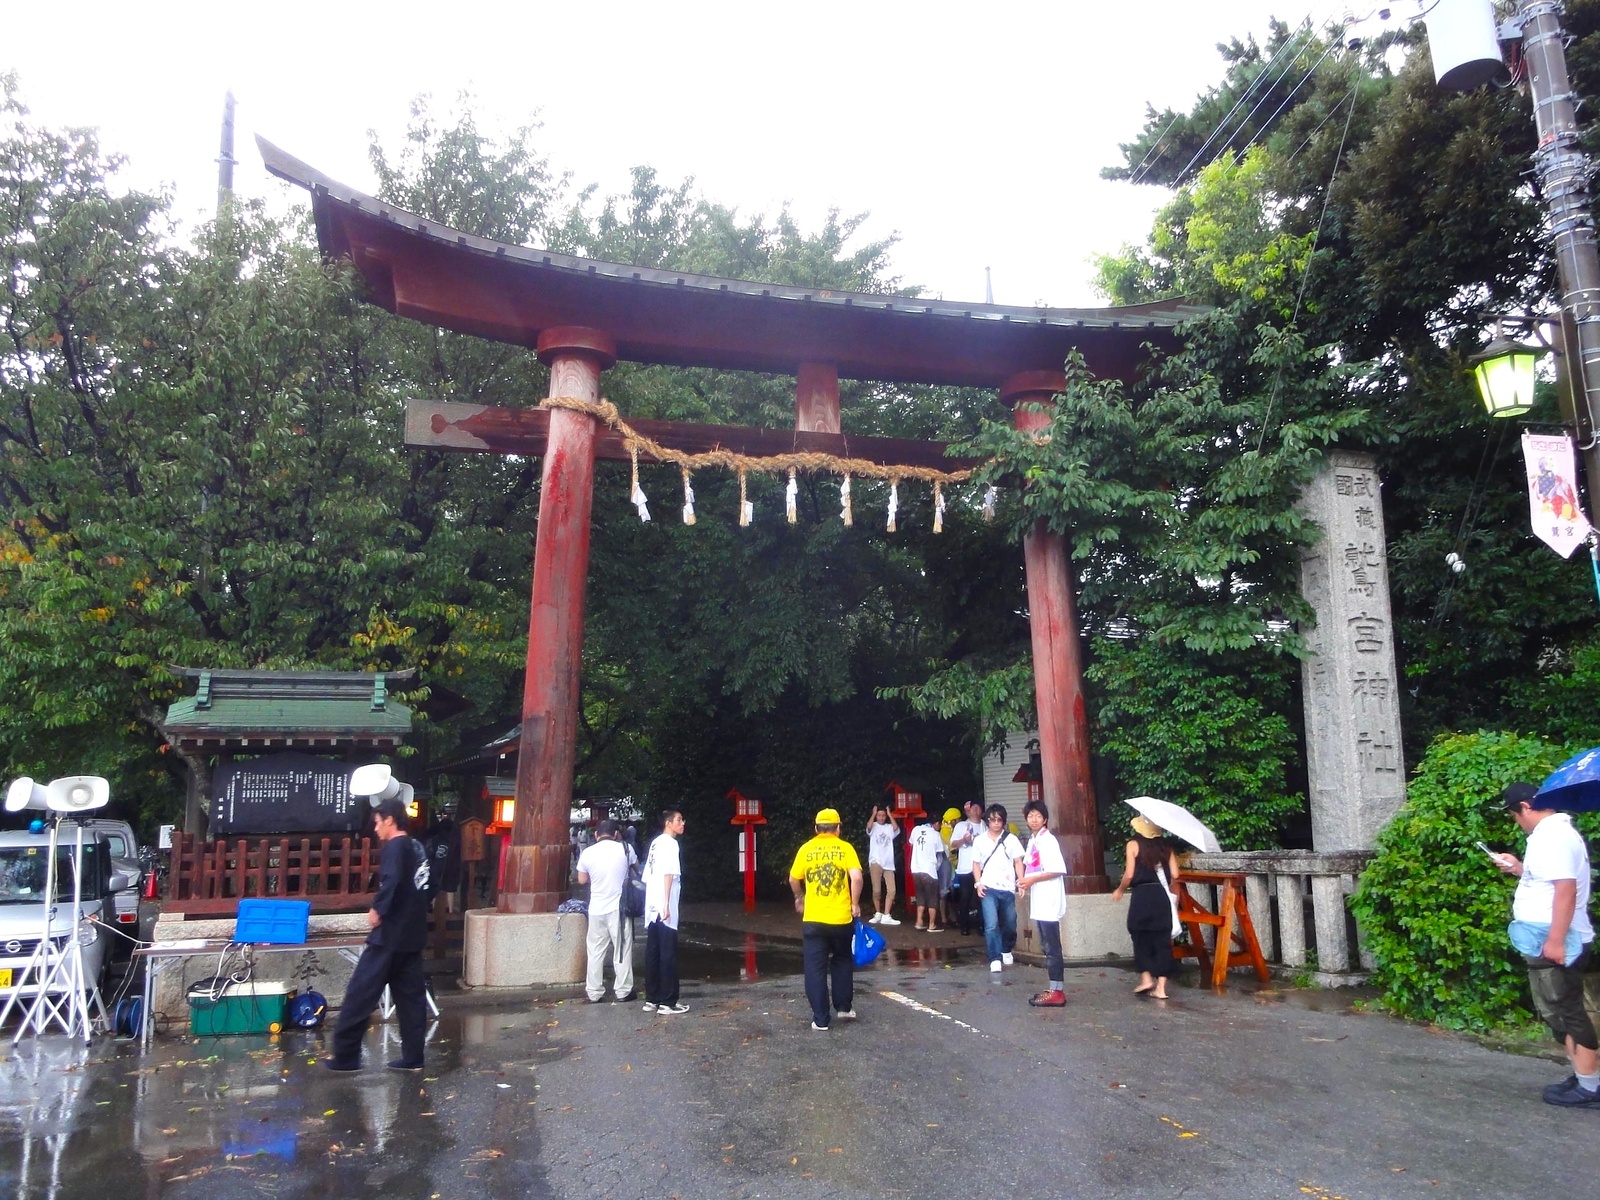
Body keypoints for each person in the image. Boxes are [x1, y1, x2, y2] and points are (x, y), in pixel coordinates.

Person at [1491, 782, 1598, 1107]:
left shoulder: (1553, 837)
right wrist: (1520, 869)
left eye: (1513, 815)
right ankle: (1583, 1076)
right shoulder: (1550, 836)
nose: (1515, 822)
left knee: (1568, 1011)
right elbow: (1550, 881)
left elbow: (1565, 890)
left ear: (1525, 806)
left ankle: (1591, 1087)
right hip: (1548, 937)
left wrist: (1555, 941)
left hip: (1557, 939)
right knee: (1558, 1010)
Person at [327, 798, 431, 1071]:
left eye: (377, 822)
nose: (375, 828)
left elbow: (392, 881)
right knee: (410, 999)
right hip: (412, 934)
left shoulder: (395, 847)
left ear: (390, 820)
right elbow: (425, 888)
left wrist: (378, 909)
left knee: (360, 993)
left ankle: (346, 1056)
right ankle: (413, 1057)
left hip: (389, 935)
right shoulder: (417, 847)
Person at [789, 807, 864, 1030]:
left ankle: (820, 1019)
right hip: (841, 919)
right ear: (838, 828)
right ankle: (843, 1007)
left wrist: (799, 897)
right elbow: (857, 877)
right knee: (841, 960)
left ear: (816, 829)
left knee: (815, 968)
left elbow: (793, 879)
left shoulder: (806, 849)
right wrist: (855, 903)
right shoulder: (845, 848)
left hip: (814, 919)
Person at [1110, 815, 1180, 999]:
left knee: (1139, 935)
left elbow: (1129, 875)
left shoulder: (1133, 845)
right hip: (1161, 896)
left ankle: (1146, 978)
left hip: (1142, 895)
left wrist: (1120, 890)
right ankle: (1161, 988)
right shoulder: (1166, 847)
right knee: (1162, 940)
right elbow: (1175, 873)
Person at [575, 818, 637, 1004]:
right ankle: (623, 991)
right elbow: (635, 868)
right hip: (620, 909)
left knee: (595, 951)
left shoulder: (588, 852)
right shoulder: (626, 849)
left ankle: (594, 992)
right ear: (616, 834)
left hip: (596, 908)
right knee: (622, 949)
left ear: (596, 835)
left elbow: (582, 880)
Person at [1017, 799, 1068, 1007]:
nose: (1034, 819)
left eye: (1038, 816)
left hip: (1049, 898)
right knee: (1047, 946)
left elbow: (1057, 869)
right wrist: (1024, 882)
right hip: (1040, 898)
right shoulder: (1033, 840)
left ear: (1045, 819)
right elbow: (1031, 867)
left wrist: (1031, 880)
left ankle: (1057, 992)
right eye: (1030, 816)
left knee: (1052, 946)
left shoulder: (1049, 841)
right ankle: (1054, 987)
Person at [642, 809, 687, 1015]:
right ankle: (668, 1001)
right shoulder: (670, 843)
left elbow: (649, 875)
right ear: (668, 823)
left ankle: (652, 997)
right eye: (678, 820)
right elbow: (669, 873)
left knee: (653, 950)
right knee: (667, 952)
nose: (682, 823)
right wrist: (667, 903)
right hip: (664, 902)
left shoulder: (655, 843)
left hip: (652, 901)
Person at [971, 803, 1025, 974]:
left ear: (1003, 821)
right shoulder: (979, 840)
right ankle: (994, 957)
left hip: (1008, 887)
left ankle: (1006, 948)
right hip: (988, 887)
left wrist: (1021, 880)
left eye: (999, 820)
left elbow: (1018, 861)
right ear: (987, 821)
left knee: (1010, 922)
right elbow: (976, 864)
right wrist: (978, 883)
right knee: (991, 923)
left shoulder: (1011, 839)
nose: (995, 823)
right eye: (992, 820)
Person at [948, 800, 984, 935]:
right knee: (965, 897)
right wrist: (964, 840)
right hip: (965, 867)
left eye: (976, 807)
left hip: (981, 867)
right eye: (971, 808)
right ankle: (964, 926)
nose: (974, 810)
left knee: (981, 897)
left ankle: (981, 926)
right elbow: (953, 843)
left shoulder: (984, 826)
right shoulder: (961, 826)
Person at [907, 818, 946, 932]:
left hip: (915, 869)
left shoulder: (916, 829)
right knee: (932, 898)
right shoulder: (935, 834)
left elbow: (911, 843)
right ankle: (932, 925)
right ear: (936, 823)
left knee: (920, 896)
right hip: (929, 870)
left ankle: (919, 922)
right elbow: (940, 853)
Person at [864, 805, 901, 925]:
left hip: (888, 862)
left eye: (883, 815)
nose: (881, 817)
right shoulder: (873, 826)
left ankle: (886, 914)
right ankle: (878, 913)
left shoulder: (889, 827)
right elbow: (868, 827)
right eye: (879, 815)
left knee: (892, 889)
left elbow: (896, 828)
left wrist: (890, 814)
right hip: (876, 861)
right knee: (876, 890)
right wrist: (873, 814)